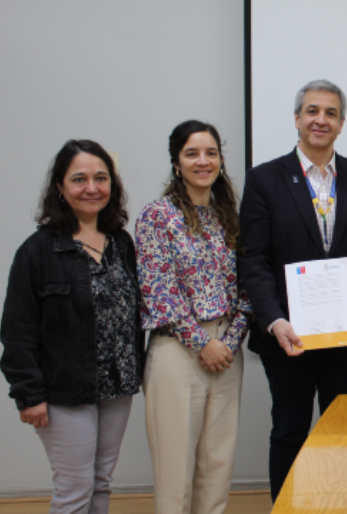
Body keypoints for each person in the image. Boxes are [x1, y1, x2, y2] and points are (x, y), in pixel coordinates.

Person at [238, 79, 347, 500]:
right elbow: (252, 260)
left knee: (344, 431)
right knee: (289, 431)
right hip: (289, 337)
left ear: (341, 123)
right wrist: (274, 319)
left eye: (329, 113)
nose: (319, 120)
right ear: (297, 119)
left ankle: (341, 505)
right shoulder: (264, 180)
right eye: (311, 111)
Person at [0, 140, 144, 513]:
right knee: (74, 490)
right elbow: (17, 329)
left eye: (101, 177)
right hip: (64, 390)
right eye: (79, 179)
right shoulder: (38, 250)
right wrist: (28, 394)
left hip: (117, 387)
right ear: (60, 188)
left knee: (100, 485)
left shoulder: (121, 243)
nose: (91, 187)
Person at [136, 120, 252, 514]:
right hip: (178, 353)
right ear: (176, 162)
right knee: (175, 472)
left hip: (227, 353)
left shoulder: (230, 217)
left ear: (221, 160)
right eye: (192, 154)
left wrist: (229, 342)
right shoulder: (157, 217)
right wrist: (203, 344)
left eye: (211, 153)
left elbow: (247, 291)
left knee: (217, 467)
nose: (203, 161)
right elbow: (159, 292)